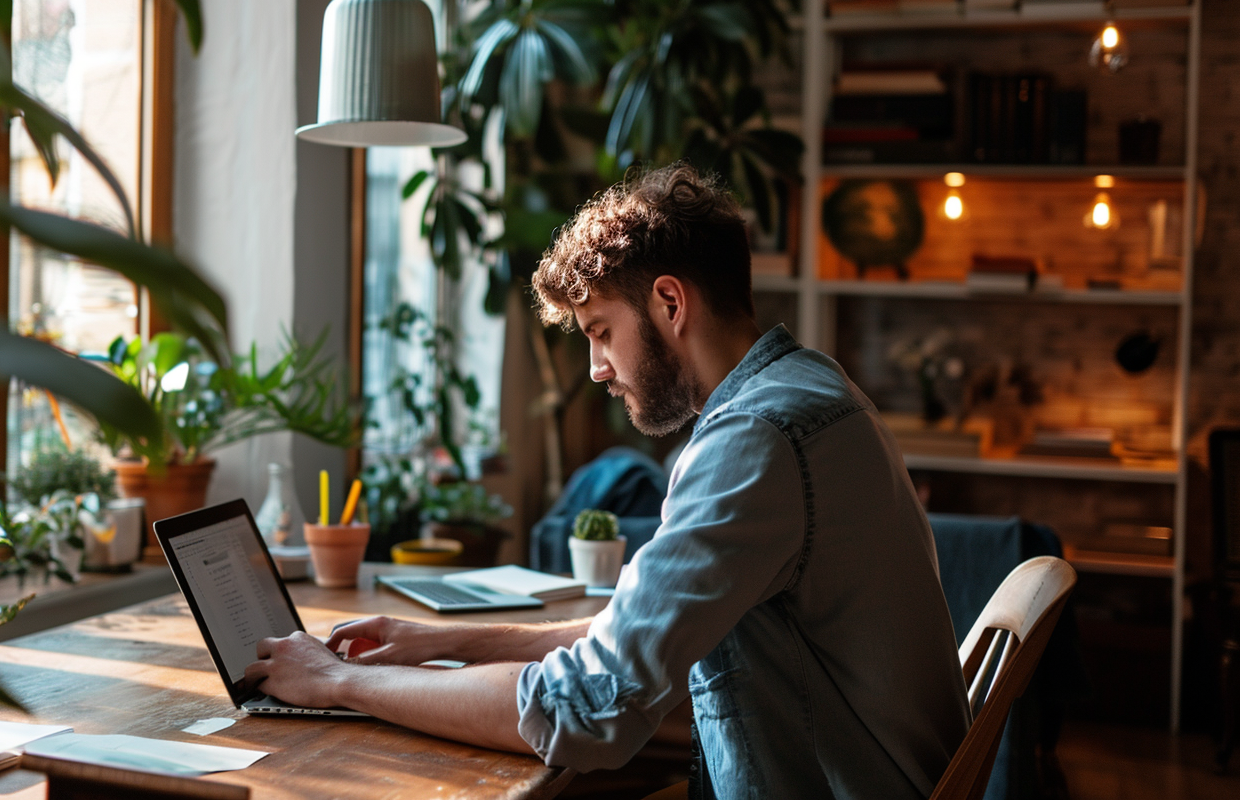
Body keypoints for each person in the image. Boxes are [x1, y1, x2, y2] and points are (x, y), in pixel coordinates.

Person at [247, 164, 971, 798]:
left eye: (600, 331)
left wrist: (336, 684)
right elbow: (627, 637)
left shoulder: (754, 441)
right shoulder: (808, 387)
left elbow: (588, 708)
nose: (597, 370)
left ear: (670, 303)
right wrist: (440, 641)